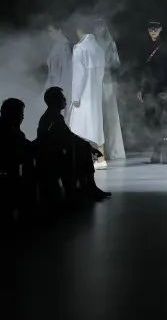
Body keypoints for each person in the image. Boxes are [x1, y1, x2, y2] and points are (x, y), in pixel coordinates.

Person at [36, 87, 110, 203]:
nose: (65, 100)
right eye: (62, 98)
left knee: (83, 147)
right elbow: (64, 137)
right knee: (82, 148)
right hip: (53, 158)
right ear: (55, 101)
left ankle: (88, 187)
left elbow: (67, 135)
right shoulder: (52, 118)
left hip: (55, 154)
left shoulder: (53, 116)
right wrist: (89, 147)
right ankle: (87, 188)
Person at [136, 21, 167, 164]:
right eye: (150, 29)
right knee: (152, 122)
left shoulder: (166, 46)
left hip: (162, 87)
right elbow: (142, 69)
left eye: (156, 29)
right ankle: (157, 151)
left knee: (163, 120)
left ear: (161, 29)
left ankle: (165, 152)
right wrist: (140, 88)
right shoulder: (144, 47)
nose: (153, 31)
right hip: (149, 89)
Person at [69, 21, 106, 168]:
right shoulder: (98, 48)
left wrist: (75, 97)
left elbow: (78, 75)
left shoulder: (80, 48)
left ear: (79, 30)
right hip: (95, 93)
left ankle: (83, 160)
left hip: (84, 94)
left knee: (79, 128)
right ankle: (101, 159)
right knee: (96, 126)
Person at [93, 19, 126, 162]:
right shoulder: (91, 44)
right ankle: (99, 151)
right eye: (97, 27)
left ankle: (115, 151)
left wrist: (115, 82)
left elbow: (116, 65)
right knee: (97, 117)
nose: (99, 29)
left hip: (108, 82)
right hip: (94, 83)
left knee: (111, 116)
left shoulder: (110, 43)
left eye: (101, 26)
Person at [1, 98, 35, 216]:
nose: (22, 117)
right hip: (8, 179)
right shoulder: (12, 133)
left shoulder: (12, 131)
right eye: (20, 113)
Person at [44, 24, 72, 100]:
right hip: (53, 84)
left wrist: (55, 87)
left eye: (51, 31)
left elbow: (65, 69)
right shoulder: (58, 45)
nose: (49, 34)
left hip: (58, 85)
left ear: (59, 30)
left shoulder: (64, 47)